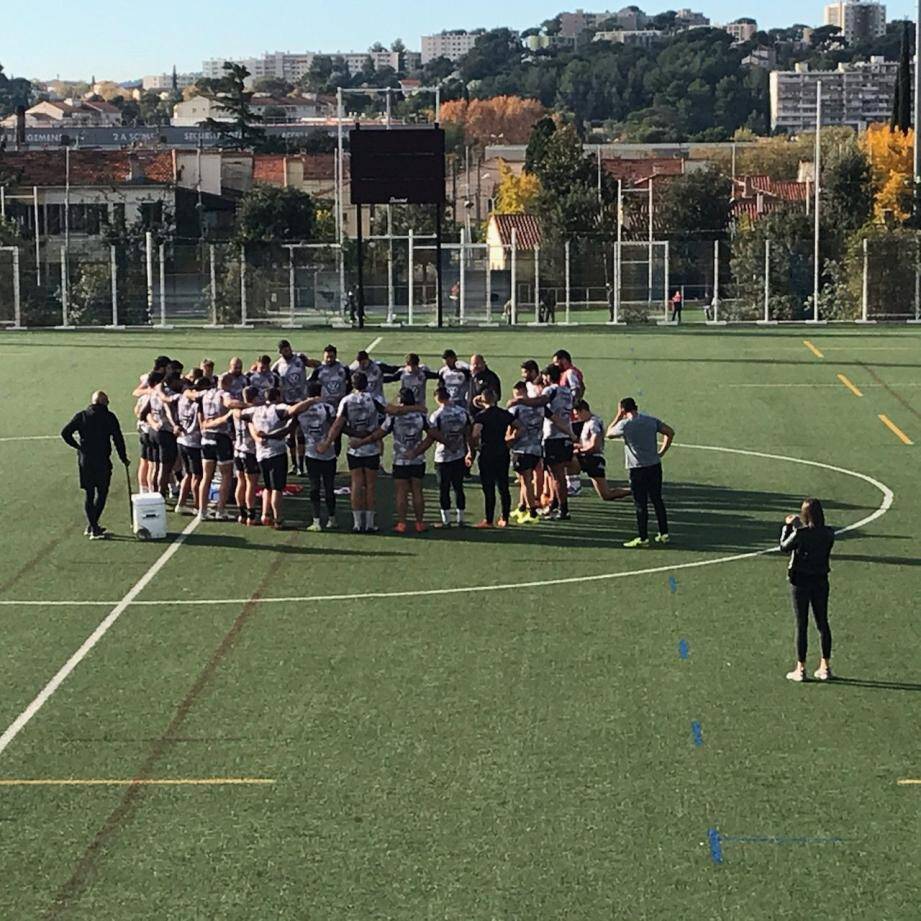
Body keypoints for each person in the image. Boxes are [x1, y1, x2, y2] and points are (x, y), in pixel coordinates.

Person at [357, 387, 432, 534]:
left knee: (401, 492)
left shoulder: (394, 417)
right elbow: (432, 435)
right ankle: (419, 523)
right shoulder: (421, 416)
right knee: (417, 491)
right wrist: (418, 451)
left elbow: (380, 433)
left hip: (400, 459)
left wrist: (363, 441)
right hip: (417, 459)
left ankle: (402, 523)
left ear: (400, 400)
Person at [319, 371, 386, 533]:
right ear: (367, 383)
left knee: (356, 484)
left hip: (354, 448)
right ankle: (369, 523)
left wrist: (328, 442)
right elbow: (386, 417)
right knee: (370, 485)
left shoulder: (347, 400)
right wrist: (372, 434)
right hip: (371, 447)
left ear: (352, 384)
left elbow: (338, 424)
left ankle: (357, 523)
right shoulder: (375, 399)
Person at [780, 498, 836, 682]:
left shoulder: (800, 534)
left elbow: (784, 547)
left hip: (800, 581)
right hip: (820, 580)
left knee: (801, 624)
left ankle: (800, 668)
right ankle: (825, 666)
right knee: (822, 623)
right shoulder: (829, 533)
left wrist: (788, 527)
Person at [606, 397, 674, 548]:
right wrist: (661, 452)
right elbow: (670, 432)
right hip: (654, 465)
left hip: (637, 468)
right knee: (657, 500)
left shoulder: (625, 424)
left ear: (623, 410)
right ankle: (664, 533)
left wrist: (617, 416)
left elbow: (609, 433)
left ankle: (643, 537)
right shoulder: (650, 420)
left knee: (640, 503)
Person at [61, 391, 129, 539]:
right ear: (104, 403)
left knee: (89, 494)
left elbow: (65, 433)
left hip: (85, 460)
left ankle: (92, 525)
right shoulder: (109, 417)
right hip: (102, 460)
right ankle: (93, 527)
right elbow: (118, 438)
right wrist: (123, 457)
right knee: (102, 492)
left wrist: (78, 446)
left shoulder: (82, 415)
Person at [417, 386, 472, 528]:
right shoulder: (462, 412)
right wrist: (468, 450)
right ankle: (461, 519)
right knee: (459, 487)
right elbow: (468, 431)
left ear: (437, 398)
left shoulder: (437, 415)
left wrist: (447, 443)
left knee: (444, 488)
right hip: (459, 454)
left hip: (443, 456)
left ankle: (446, 520)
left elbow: (433, 434)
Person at [246, 387, 296, 529]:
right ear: (278, 396)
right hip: (276, 452)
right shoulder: (279, 408)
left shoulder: (256, 410)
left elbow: (242, 414)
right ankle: (278, 519)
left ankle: (265, 515)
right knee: (277, 489)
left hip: (261, 454)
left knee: (267, 487)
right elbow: (293, 411)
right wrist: (310, 401)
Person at [296, 381, 339, 531]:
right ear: (321, 393)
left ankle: (316, 521)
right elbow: (336, 427)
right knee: (329, 487)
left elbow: (291, 424)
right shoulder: (328, 408)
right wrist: (328, 442)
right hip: (328, 453)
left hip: (311, 453)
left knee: (314, 487)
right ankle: (332, 519)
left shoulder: (302, 409)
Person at [272, 339, 317, 475]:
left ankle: (301, 466)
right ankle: (294, 464)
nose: (288, 352)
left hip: (301, 402)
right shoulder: (278, 365)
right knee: (290, 434)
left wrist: (312, 379)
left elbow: (316, 365)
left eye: (288, 349)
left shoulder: (300, 358)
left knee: (301, 434)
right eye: (284, 350)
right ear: (280, 352)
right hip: (288, 404)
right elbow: (271, 376)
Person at [197, 373, 239, 521]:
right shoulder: (225, 394)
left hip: (206, 437)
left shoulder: (206, 394)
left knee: (206, 476)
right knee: (226, 475)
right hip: (221, 437)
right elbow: (229, 404)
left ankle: (202, 510)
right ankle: (220, 509)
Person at [470, 389, 513, 528]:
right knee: (503, 486)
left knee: (488, 488)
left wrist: (475, 447)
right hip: (502, 451)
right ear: (495, 398)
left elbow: (475, 434)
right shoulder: (504, 414)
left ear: (483, 400)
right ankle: (505, 518)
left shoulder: (481, 416)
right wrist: (510, 440)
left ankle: (489, 520)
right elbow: (520, 427)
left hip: (487, 452)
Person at [572, 400, 630, 502]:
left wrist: (578, 451)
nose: (576, 417)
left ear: (583, 411)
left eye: (577, 414)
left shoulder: (593, 423)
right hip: (587, 457)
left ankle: (635, 489)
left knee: (606, 495)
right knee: (606, 495)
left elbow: (595, 446)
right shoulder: (587, 422)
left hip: (592, 460)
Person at [506, 381, 544, 524]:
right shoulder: (539, 408)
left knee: (526, 480)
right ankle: (521, 507)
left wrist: (507, 440)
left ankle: (532, 512)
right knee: (524, 480)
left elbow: (510, 426)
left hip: (521, 449)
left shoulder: (516, 409)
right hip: (536, 448)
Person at [175, 378, 207, 514]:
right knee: (197, 475)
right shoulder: (197, 405)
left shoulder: (182, 400)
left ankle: (181, 503)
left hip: (182, 440)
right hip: (194, 442)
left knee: (188, 473)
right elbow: (201, 423)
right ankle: (197, 505)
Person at [233, 386, 262, 525]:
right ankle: (251, 515)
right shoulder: (254, 411)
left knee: (241, 481)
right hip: (250, 451)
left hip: (237, 450)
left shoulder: (236, 410)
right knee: (251, 483)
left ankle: (242, 514)